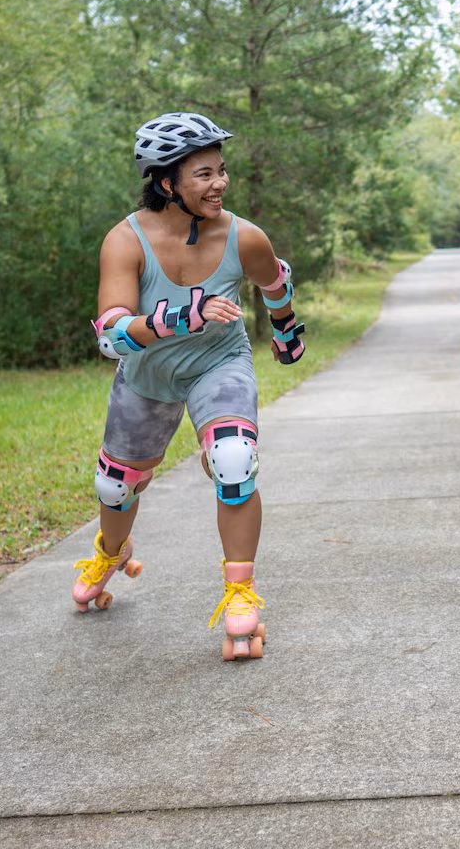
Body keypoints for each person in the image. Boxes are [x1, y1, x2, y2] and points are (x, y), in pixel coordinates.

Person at [75, 112, 308, 662]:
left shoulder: (242, 235)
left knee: (233, 459)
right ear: (165, 183)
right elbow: (110, 335)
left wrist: (285, 329)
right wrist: (178, 319)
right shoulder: (124, 240)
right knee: (114, 488)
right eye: (203, 174)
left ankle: (240, 594)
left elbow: (274, 281)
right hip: (148, 374)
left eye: (221, 171)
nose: (220, 184)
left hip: (218, 363)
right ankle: (110, 551)